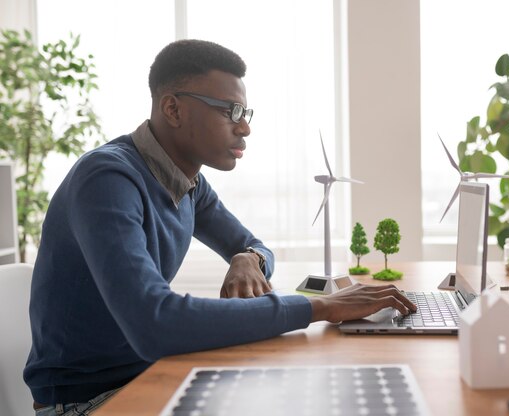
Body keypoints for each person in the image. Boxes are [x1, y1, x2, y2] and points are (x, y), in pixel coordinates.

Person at [24, 39, 416, 415]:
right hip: (87, 401)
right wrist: (321, 306)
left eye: (245, 114)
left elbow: (255, 245)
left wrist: (249, 257)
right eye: (230, 111)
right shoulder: (107, 179)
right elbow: (154, 323)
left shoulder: (189, 183)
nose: (244, 128)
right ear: (173, 109)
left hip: (148, 374)